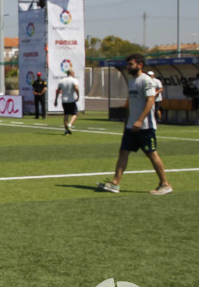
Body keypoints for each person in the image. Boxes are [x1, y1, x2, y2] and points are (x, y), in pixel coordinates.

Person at [97, 53, 172, 195]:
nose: (128, 67)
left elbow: (150, 101)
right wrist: (128, 122)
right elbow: (133, 104)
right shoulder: (131, 82)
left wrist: (140, 120)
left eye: (131, 64)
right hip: (131, 126)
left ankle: (165, 184)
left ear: (140, 65)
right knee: (123, 152)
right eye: (128, 64)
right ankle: (115, 183)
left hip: (145, 127)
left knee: (151, 154)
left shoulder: (146, 81)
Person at [54, 69, 80, 134]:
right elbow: (76, 88)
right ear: (71, 74)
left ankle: (66, 130)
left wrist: (56, 100)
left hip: (64, 100)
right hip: (71, 99)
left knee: (66, 114)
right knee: (75, 113)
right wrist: (78, 95)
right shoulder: (74, 80)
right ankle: (70, 124)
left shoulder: (61, 81)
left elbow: (58, 91)